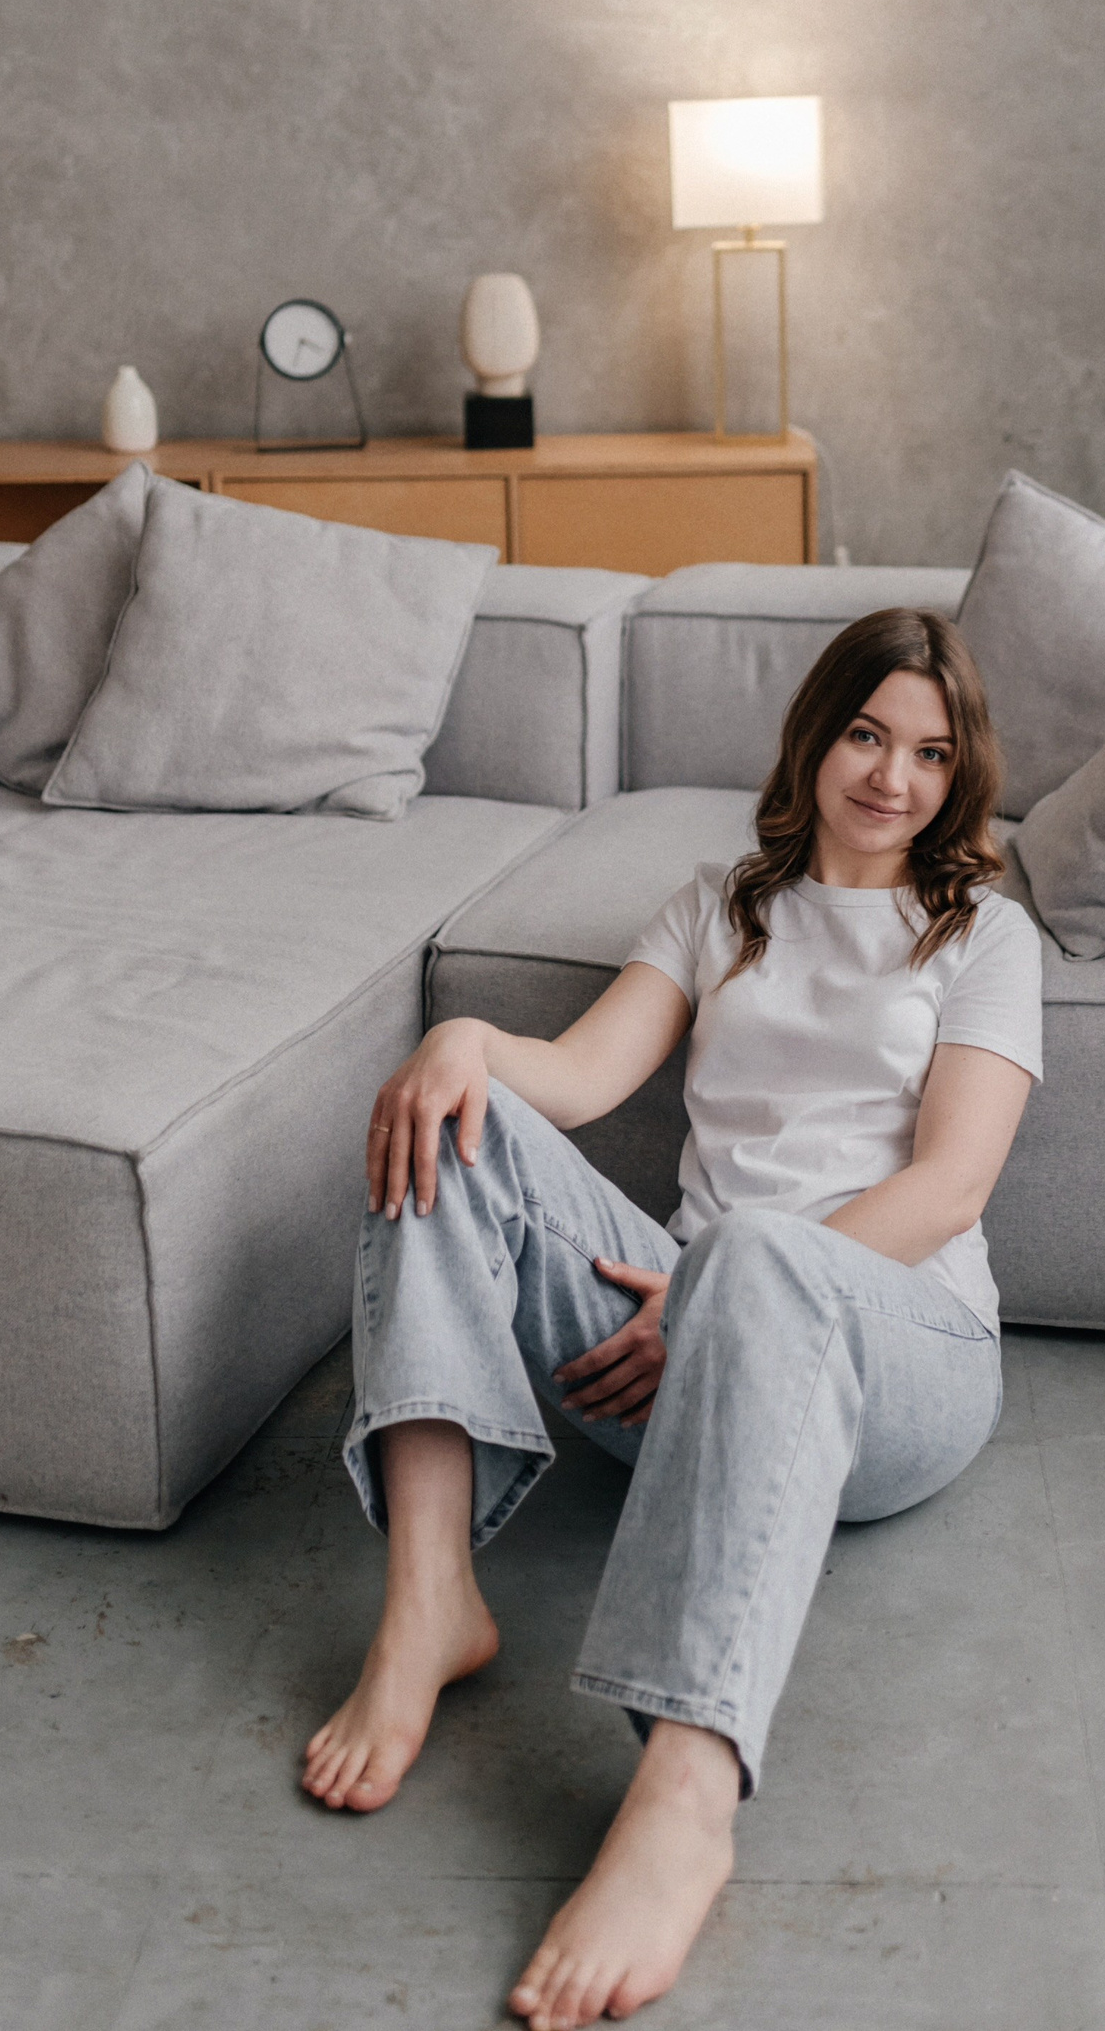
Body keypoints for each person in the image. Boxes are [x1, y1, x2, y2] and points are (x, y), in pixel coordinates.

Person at [302, 606, 1043, 2030]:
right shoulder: (720, 907)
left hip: (903, 1353)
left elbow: (950, 1186)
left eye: (932, 753)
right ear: (816, 735)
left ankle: (686, 1800)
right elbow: (577, 1078)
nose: (892, 776)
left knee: (757, 1250)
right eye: (868, 734)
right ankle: (429, 1600)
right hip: (679, 1354)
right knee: (454, 1115)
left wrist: (721, 1286)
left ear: (961, 776)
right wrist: (461, 1041)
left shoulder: (982, 934)